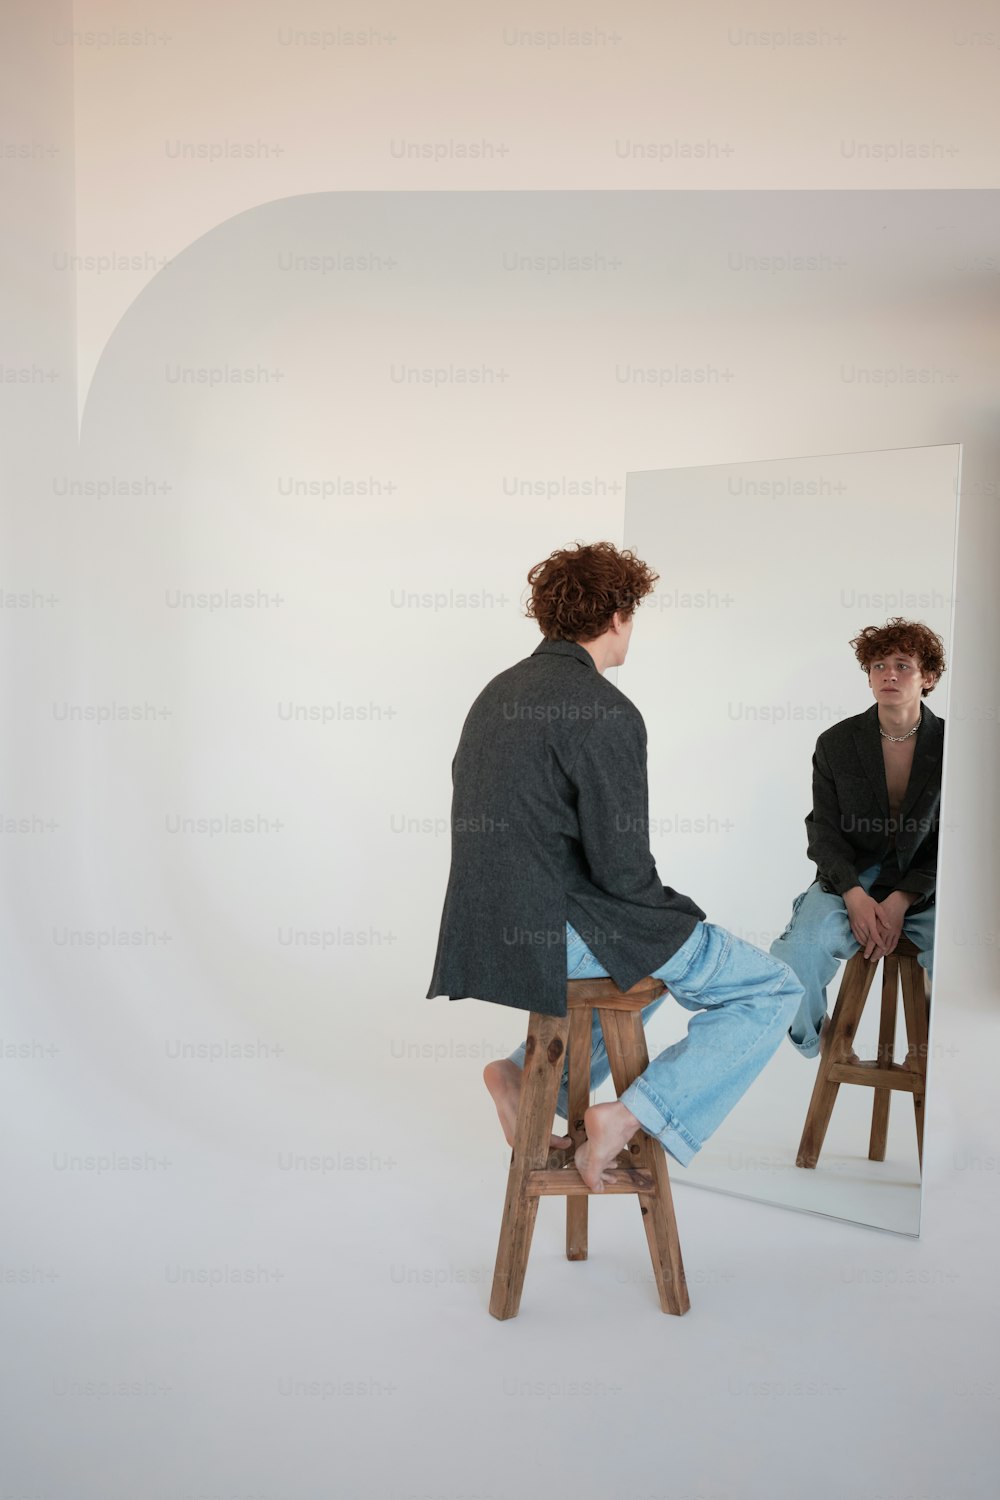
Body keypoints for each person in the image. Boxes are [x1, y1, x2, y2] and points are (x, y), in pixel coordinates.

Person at [425, 541, 804, 1190]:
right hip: (560, 936)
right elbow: (623, 875)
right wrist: (679, 918)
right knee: (770, 987)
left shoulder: (495, 694)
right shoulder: (604, 709)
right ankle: (630, 1116)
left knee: (635, 973)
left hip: (486, 932)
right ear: (620, 616)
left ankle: (520, 1072)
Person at [770, 617, 945, 1059]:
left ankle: (936, 1054)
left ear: (928, 677)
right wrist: (852, 893)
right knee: (795, 956)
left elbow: (960, 844)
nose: (889, 674)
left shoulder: (954, 745)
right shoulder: (837, 743)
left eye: (903, 665)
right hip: (850, 880)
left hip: (930, 888)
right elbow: (823, 831)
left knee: (965, 957)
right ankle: (821, 1041)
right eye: (878, 665)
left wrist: (903, 898)